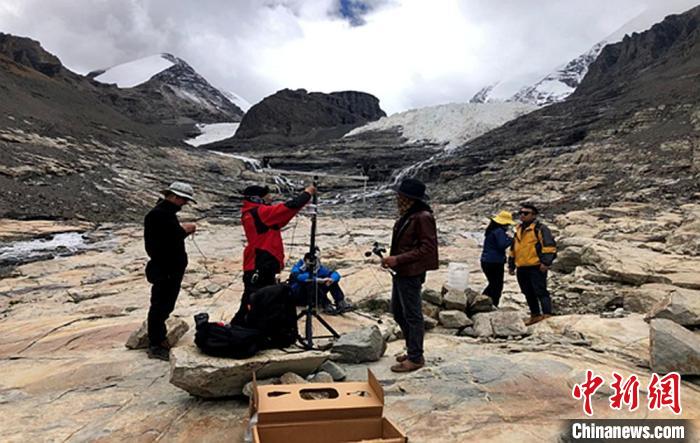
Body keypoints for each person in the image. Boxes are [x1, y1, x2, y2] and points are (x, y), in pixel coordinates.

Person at [231, 184, 316, 325]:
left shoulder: (251, 213)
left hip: (258, 262)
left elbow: (282, 216)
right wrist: (307, 193)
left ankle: (244, 328)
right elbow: (288, 207)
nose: (270, 199)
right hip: (261, 263)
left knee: (258, 299)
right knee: (256, 300)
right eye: (267, 196)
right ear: (256, 198)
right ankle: (239, 329)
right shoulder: (260, 212)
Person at [382, 178, 438, 373]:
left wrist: (398, 259)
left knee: (413, 315)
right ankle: (412, 349)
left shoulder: (423, 217)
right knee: (398, 312)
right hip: (402, 271)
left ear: (409, 198)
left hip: (411, 272)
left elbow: (428, 248)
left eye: (400, 195)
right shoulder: (409, 215)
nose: (397, 198)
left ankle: (415, 357)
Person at [143, 181, 197, 361]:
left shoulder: (164, 213)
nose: (185, 203)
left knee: (164, 305)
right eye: (184, 199)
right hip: (165, 267)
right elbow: (169, 238)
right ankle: (156, 344)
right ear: (174, 196)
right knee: (160, 305)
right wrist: (185, 230)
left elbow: (168, 235)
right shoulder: (159, 214)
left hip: (168, 267)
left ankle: (159, 339)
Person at [508, 204, 557, 326]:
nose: (522, 215)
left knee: (540, 291)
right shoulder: (519, 229)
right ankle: (535, 315)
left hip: (536, 265)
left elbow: (549, 246)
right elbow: (514, 248)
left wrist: (546, 262)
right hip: (522, 266)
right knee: (527, 292)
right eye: (521, 213)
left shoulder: (540, 229)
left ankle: (547, 314)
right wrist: (511, 264)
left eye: (526, 213)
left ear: (534, 215)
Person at [480, 210, 516, 307]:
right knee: (496, 286)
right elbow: (502, 245)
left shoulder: (491, 231)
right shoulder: (499, 232)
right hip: (494, 262)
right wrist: (512, 240)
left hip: (486, 261)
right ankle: (488, 303)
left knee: (493, 284)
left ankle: (483, 302)